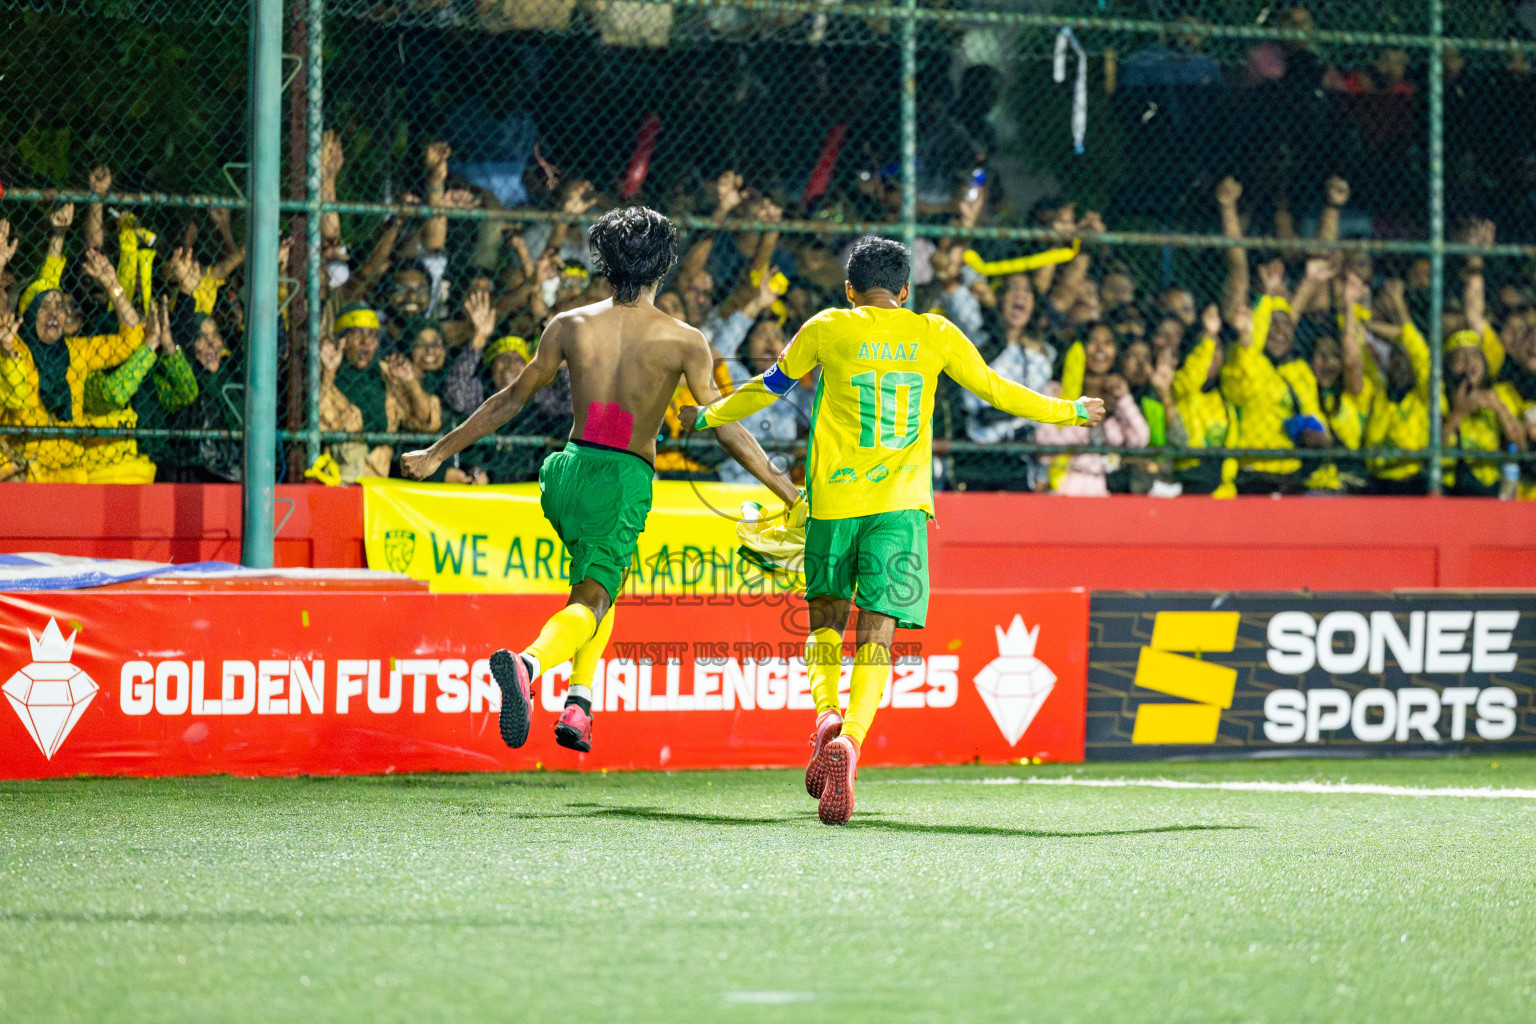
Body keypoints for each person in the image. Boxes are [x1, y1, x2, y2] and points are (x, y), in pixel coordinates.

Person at [680, 236, 1105, 825]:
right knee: (877, 634)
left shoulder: (828, 327)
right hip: (901, 508)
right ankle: (851, 740)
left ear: (849, 288)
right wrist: (1071, 411)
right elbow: (997, 391)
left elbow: (769, 387)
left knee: (826, 620)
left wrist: (707, 414)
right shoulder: (934, 333)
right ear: (904, 292)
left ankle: (826, 713)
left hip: (832, 504)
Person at [401, 206, 797, 754]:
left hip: (566, 474)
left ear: (604, 264)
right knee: (592, 601)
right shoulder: (683, 340)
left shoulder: (569, 324)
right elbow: (722, 428)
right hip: (620, 479)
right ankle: (529, 664)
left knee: (597, 594)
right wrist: (786, 487)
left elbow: (510, 400)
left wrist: (437, 452)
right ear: (666, 265)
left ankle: (580, 706)